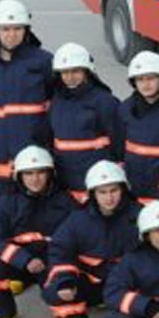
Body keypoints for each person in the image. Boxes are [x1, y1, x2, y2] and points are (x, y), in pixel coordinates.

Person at [43, 160, 141, 318]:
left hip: (128, 286)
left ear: (123, 189)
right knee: (54, 291)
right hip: (94, 284)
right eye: (102, 192)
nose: (109, 197)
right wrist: (65, 280)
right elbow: (59, 250)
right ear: (92, 194)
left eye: (114, 190)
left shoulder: (140, 216)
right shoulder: (78, 219)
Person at [0, 145, 76, 318]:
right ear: (19, 176)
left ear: (50, 174)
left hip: (51, 262)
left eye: (40, 173)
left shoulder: (65, 202)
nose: (35, 179)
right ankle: (5, 315)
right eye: (28, 173)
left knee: (58, 292)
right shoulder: (6, 204)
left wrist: (51, 264)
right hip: (20, 264)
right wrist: (24, 260)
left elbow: (74, 239)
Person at [0, 0, 52, 198]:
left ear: (26, 30)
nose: (11, 35)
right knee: (7, 210)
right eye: (6, 29)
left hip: (35, 153)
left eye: (17, 29)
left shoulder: (44, 61)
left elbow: (56, 104)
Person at [48, 42, 120, 205]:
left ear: (87, 72)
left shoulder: (105, 102)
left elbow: (119, 143)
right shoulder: (57, 101)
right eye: (64, 72)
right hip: (66, 183)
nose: (70, 77)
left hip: (98, 184)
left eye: (76, 71)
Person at [117, 51, 159, 203]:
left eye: (151, 78)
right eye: (140, 79)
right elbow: (119, 148)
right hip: (134, 190)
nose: (145, 84)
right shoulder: (125, 109)